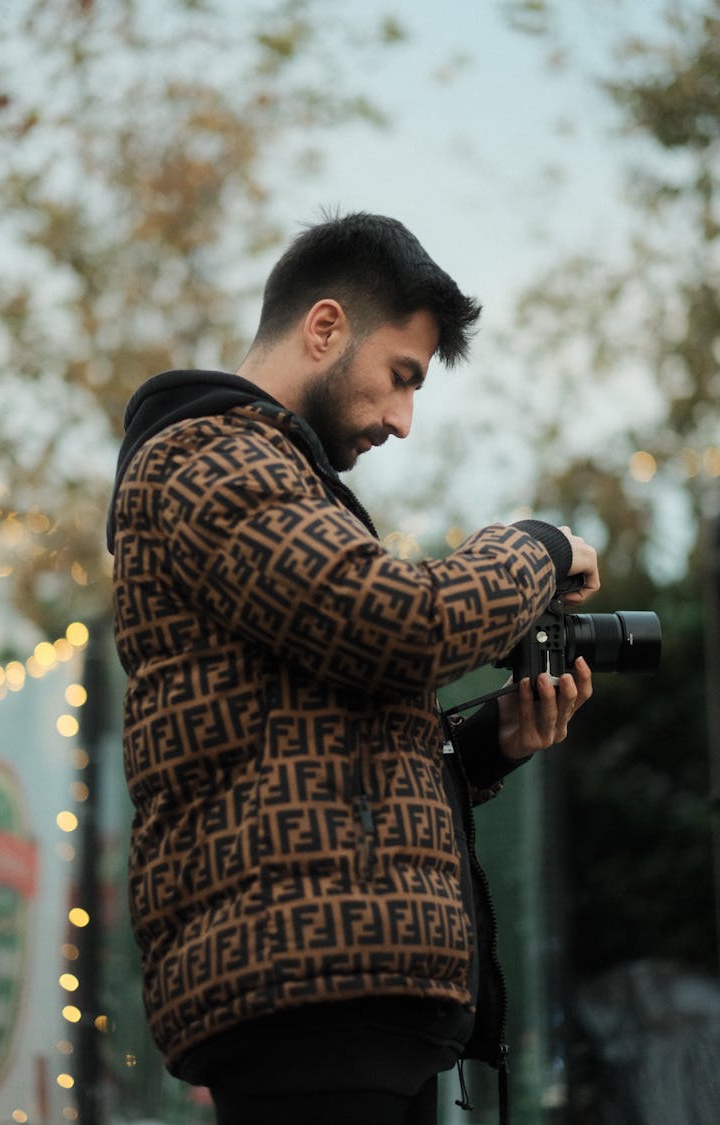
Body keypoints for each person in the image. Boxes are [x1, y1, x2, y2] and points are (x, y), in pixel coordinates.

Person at [107, 212, 599, 1125]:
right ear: (325, 327)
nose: (404, 421)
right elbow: (397, 624)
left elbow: (325, 733)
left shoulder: (273, 472)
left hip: (349, 993)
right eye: (401, 378)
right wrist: (532, 548)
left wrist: (491, 741)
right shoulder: (207, 452)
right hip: (303, 993)